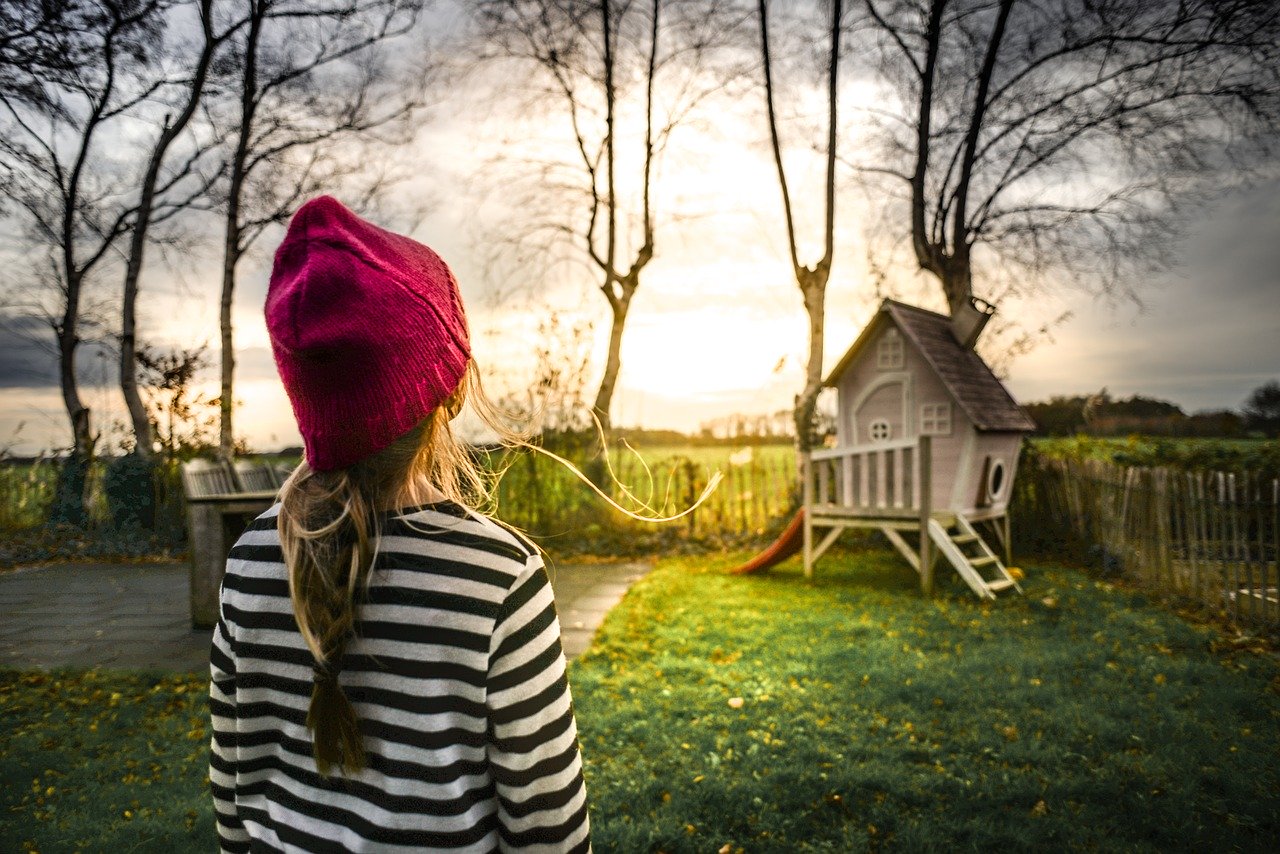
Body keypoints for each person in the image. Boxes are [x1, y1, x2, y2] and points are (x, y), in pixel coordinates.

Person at [208, 195, 591, 853]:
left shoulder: (249, 559)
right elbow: (549, 830)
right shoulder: (498, 579)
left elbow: (234, 796)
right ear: (451, 387)